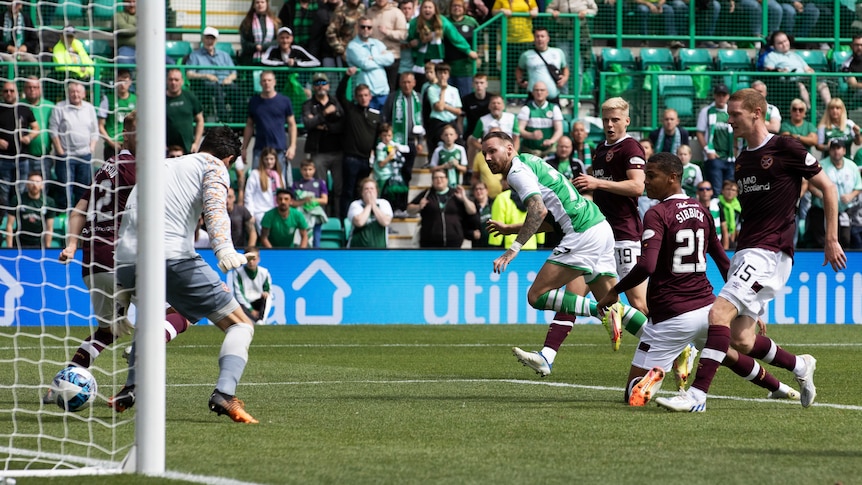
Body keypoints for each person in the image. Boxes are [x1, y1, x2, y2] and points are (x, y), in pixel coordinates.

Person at [655, 88, 847, 413]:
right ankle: (800, 366)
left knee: (717, 314)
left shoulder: (785, 146)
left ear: (757, 112)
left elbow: (828, 187)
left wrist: (831, 238)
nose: (729, 122)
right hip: (748, 253)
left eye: (735, 115)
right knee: (740, 339)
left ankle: (696, 396)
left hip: (770, 252)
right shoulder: (743, 160)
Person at [596, 153, 800, 407]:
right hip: (708, 309)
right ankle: (779, 387)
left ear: (672, 178)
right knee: (726, 354)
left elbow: (647, 264)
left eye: (651, 176)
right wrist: (745, 304)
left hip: (670, 318)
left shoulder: (657, 213)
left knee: (631, 396)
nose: (645, 182)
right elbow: (724, 261)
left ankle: (653, 377)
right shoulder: (702, 210)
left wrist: (615, 290)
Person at [115, 126, 259, 423]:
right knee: (241, 325)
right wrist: (224, 250)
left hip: (126, 259)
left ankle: (132, 386)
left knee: (162, 317)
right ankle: (225, 394)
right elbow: (216, 208)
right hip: (171, 257)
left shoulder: (162, 164)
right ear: (229, 158)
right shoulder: (214, 166)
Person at [51, 112, 189, 412]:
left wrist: (72, 245)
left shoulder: (106, 167)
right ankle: (148, 346)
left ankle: (62, 383)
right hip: (122, 259)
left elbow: (79, 209)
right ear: (127, 134)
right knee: (184, 311)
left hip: (91, 263)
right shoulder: (140, 168)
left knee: (106, 331)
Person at [481, 131, 648, 377]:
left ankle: (597, 311)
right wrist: (510, 228)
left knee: (536, 295)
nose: (487, 157)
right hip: (600, 227)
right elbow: (550, 219)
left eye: (492, 151)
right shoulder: (530, 161)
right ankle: (677, 348)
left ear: (509, 148)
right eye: (484, 153)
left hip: (582, 232)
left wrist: (512, 249)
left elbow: (538, 211)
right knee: (615, 305)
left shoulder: (517, 172)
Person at [573, 97, 648, 318]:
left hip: (625, 234)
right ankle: (548, 352)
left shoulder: (631, 147)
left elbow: (637, 186)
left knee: (639, 304)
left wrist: (597, 183)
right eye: (606, 120)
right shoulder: (599, 149)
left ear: (627, 121)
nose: (609, 125)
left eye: (615, 120)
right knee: (574, 296)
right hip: (600, 234)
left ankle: (680, 348)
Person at [337, 69, 384, 218]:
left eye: (366, 95)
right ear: (356, 97)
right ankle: (345, 221)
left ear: (370, 97)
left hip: (366, 160)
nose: (363, 98)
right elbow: (339, 94)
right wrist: (347, 76)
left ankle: (361, 218)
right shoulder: (351, 109)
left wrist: (376, 153)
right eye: (360, 96)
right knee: (348, 191)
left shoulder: (375, 114)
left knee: (363, 192)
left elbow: (378, 135)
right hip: (351, 158)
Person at [801, 139, 861, 248]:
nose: (836, 151)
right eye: (833, 148)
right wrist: (821, 195)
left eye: (839, 148)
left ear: (844, 151)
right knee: (821, 241)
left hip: (844, 210)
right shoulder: (821, 165)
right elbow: (810, 185)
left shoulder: (852, 166)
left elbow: (859, 186)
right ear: (829, 151)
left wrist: (850, 196)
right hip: (822, 210)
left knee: (845, 240)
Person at [49, 81, 99, 210]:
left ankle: (80, 216)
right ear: (68, 93)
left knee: (82, 189)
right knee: (64, 188)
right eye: (72, 91)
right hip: (66, 156)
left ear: (83, 94)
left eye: (78, 92)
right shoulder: (60, 108)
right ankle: (63, 215)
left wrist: (91, 148)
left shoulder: (89, 108)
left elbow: (95, 131)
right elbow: (53, 130)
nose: (75, 94)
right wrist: (60, 150)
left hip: (84, 155)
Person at [241, 70, 298, 184]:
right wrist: (244, 148)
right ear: (260, 83)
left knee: (281, 183)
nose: (267, 83)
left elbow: (292, 124)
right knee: (257, 182)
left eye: (269, 80)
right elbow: (249, 125)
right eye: (264, 81)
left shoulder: (284, 101)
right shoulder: (254, 101)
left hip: (280, 149)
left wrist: (292, 146)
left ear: (274, 82)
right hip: (259, 149)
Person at [302, 72, 345, 218]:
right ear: (313, 87)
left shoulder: (335, 101)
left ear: (328, 85)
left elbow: (342, 123)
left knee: (339, 188)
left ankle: (338, 218)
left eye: (323, 83)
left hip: (337, 151)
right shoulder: (308, 105)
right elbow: (308, 124)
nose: (320, 86)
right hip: (318, 152)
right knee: (321, 188)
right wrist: (325, 114)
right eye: (317, 84)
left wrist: (322, 124)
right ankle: (323, 217)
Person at [406, 0, 478, 87]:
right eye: (425, 7)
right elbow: (411, 41)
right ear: (421, 9)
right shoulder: (414, 22)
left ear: (435, 9)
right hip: (421, 63)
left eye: (430, 7)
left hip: (438, 61)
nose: (427, 10)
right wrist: (420, 41)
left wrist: (467, 50)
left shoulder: (441, 21)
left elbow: (455, 37)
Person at [761, 31, 831, 110]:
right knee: (800, 86)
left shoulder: (795, 55)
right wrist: (779, 71)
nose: (784, 45)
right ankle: (809, 110)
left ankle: (829, 108)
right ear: (774, 45)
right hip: (789, 82)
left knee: (822, 84)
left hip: (806, 78)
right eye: (780, 43)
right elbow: (768, 70)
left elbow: (807, 68)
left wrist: (809, 71)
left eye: (785, 41)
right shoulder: (771, 56)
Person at [407, 171, 478, 247]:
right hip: (429, 242)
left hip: (454, 241)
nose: (439, 180)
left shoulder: (456, 194)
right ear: (432, 180)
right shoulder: (427, 194)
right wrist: (418, 207)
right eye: (436, 178)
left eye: (441, 177)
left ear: (447, 179)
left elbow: (472, 210)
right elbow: (409, 209)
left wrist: (464, 199)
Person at [186, 27, 240, 124]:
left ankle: (238, 122)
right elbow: (189, 74)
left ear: (216, 41)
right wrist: (205, 76)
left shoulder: (224, 55)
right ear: (203, 39)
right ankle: (224, 120)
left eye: (212, 38)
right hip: (205, 84)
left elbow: (234, 73)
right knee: (216, 89)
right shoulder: (195, 55)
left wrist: (229, 79)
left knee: (237, 90)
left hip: (224, 83)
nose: (209, 41)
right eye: (207, 38)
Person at [0, 80, 38, 219]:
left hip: (22, 159)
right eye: (6, 91)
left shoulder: (24, 108)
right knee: (4, 190)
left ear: (17, 92)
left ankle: (18, 218)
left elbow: (36, 128)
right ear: (2, 93)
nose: (9, 93)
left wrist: (29, 137)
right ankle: (4, 219)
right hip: (3, 158)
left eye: (11, 91)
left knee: (20, 190)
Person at [382, 72, 424, 188]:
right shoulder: (392, 97)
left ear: (414, 83)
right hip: (395, 142)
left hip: (411, 142)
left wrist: (420, 141)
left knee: (407, 173)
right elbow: (385, 117)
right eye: (404, 82)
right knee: (394, 173)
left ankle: (403, 201)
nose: (406, 85)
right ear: (400, 83)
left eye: (409, 82)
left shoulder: (419, 98)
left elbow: (421, 120)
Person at [346, 17, 395, 110]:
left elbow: (390, 59)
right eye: (363, 27)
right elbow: (365, 64)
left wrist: (374, 58)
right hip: (367, 96)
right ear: (357, 27)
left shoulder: (377, 43)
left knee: (384, 123)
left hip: (383, 92)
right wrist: (382, 59)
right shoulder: (352, 46)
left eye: (369, 27)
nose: (366, 29)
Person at [696, 83, 735, 199]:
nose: (721, 98)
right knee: (716, 191)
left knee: (730, 191)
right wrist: (707, 150)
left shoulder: (732, 111)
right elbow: (700, 132)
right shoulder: (707, 111)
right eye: (719, 95)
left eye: (724, 95)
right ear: (714, 96)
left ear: (728, 96)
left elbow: (737, 133)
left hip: (730, 157)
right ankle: (716, 216)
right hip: (714, 157)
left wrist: (736, 151)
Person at [492, 0, 537, 98]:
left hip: (526, 40)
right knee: (509, 69)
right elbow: (493, 12)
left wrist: (533, 12)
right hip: (508, 40)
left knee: (525, 69)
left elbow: (535, 10)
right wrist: (501, 11)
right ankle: (509, 95)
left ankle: (523, 96)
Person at [515, 27, 569, 105]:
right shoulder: (526, 55)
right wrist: (520, 80)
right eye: (537, 36)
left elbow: (565, 68)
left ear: (548, 39)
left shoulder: (558, 52)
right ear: (534, 39)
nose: (540, 39)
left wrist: (564, 78)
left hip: (553, 97)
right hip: (533, 97)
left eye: (542, 36)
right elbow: (519, 69)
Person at [487, 180, 544, 249]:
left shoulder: (501, 198)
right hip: (531, 246)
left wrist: (495, 244)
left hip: (509, 247)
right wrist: (541, 242)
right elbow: (539, 219)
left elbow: (497, 222)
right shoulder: (535, 197)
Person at [5, 171, 55, 248]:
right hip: (19, 242)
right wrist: (9, 248)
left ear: (42, 185)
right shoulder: (17, 199)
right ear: (27, 184)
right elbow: (9, 225)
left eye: (38, 182)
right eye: (32, 182)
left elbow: (49, 227)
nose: (34, 185)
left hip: (39, 243)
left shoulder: (49, 202)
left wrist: (48, 247)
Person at [368, 0, 408, 91]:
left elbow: (403, 35)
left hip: (392, 56)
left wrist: (388, 32)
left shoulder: (396, 12)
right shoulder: (369, 12)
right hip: (373, 57)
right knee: (373, 88)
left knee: (390, 88)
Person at [98, 69, 137, 161]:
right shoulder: (107, 99)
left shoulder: (136, 100)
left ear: (130, 82)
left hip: (130, 146)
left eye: (125, 81)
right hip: (111, 146)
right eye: (119, 81)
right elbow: (100, 126)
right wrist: (111, 142)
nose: (122, 84)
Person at [517, 82, 563, 158]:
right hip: (530, 150)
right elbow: (519, 129)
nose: (539, 92)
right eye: (536, 90)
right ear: (532, 93)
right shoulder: (526, 109)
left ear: (547, 93)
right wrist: (531, 135)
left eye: (542, 90)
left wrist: (551, 141)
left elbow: (559, 130)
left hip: (549, 150)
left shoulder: (554, 108)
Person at [244, 146, 286, 229]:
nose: (269, 162)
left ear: (275, 160)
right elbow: (248, 195)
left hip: (276, 211)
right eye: (266, 159)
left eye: (271, 159)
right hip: (261, 212)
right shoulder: (255, 174)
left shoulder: (279, 175)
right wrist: (250, 214)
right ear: (262, 160)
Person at [166, 68, 205, 155]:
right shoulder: (160, 99)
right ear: (167, 81)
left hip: (188, 149)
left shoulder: (190, 97)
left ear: (182, 81)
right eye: (171, 79)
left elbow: (200, 120)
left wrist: (196, 143)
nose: (173, 83)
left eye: (176, 80)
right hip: (166, 150)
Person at [292, 158, 330, 247]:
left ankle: (316, 254)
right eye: (305, 169)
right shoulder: (296, 184)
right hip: (301, 217)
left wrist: (311, 200)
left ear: (314, 170)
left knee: (316, 242)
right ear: (301, 170)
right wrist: (303, 201)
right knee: (301, 241)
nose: (307, 172)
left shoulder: (320, 183)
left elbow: (324, 200)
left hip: (315, 216)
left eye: (310, 169)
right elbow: (293, 203)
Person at [373, 123, 409, 215]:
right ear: (380, 136)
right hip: (382, 176)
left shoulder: (393, 146)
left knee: (395, 193)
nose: (387, 138)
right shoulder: (381, 148)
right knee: (383, 196)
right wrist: (390, 156)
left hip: (392, 175)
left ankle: (396, 210)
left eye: (389, 135)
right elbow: (381, 164)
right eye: (384, 135)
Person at [21, 77, 54, 179]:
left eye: (35, 87)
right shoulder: (18, 105)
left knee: (44, 188)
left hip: (44, 157)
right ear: (24, 89)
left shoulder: (50, 106)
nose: (32, 90)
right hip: (23, 157)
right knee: (22, 188)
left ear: (40, 89)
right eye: (29, 87)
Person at [446, 0, 480, 97]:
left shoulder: (471, 22)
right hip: (447, 67)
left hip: (465, 68)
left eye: (459, 6)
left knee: (465, 98)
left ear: (464, 8)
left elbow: (480, 41)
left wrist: (479, 57)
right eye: (454, 6)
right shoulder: (445, 21)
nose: (456, 8)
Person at [347, 177, 393, 247]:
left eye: (372, 189)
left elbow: (385, 221)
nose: (369, 191)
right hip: (356, 250)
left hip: (380, 251)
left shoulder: (384, 203)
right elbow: (359, 222)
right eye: (366, 189)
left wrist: (373, 205)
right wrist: (369, 205)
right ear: (362, 193)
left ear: (376, 192)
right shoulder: (355, 205)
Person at [231, 247, 272, 325]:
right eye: (248, 259)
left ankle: (261, 320)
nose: (251, 262)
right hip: (245, 304)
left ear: (258, 259)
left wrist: (266, 292)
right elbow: (238, 293)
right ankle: (255, 321)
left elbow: (268, 289)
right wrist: (251, 309)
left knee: (268, 297)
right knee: (236, 304)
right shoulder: (238, 273)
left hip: (258, 302)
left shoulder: (264, 272)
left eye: (254, 259)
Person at [461, 75, 493, 163]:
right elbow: (460, 119)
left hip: (488, 133)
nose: (479, 85)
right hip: (471, 133)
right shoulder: (466, 99)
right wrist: (460, 135)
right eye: (476, 83)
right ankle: (470, 170)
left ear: (486, 84)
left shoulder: (492, 99)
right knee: (472, 139)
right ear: (472, 85)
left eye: (482, 83)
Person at [238, 0, 281, 65]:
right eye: (257, 2)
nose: (260, 4)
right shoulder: (246, 22)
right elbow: (244, 43)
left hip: (270, 59)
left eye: (262, 2)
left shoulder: (275, 22)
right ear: (254, 5)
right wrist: (255, 47)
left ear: (267, 4)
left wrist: (264, 47)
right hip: (250, 60)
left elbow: (278, 40)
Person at [327, 0, 366, 65]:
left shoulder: (364, 9)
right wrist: (341, 50)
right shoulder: (340, 11)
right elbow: (330, 33)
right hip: (346, 53)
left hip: (363, 52)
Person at [718, 179, 740, 250]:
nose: (730, 192)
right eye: (728, 189)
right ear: (722, 191)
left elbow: (738, 226)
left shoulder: (739, 207)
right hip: (719, 237)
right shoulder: (716, 204)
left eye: (733, 190)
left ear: (737, 193)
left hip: (733, 238)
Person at [471, 181, 494, 247]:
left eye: (481, 189)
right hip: (477, 244)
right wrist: (472, 233)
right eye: (476, 189)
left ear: (487, 191)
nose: (478, 191)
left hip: (493, 242)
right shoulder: (470, 206)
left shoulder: (494, 204)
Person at [115, 0, 137, 66]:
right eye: (128, 2)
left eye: (134, 1)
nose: (132, 5)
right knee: (123, 60)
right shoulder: (118, 16)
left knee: (167, 62)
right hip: (127, 48)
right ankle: (130, 75)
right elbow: (123, 29)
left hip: (146, 48)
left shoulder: (146, 16)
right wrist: (141, 28)